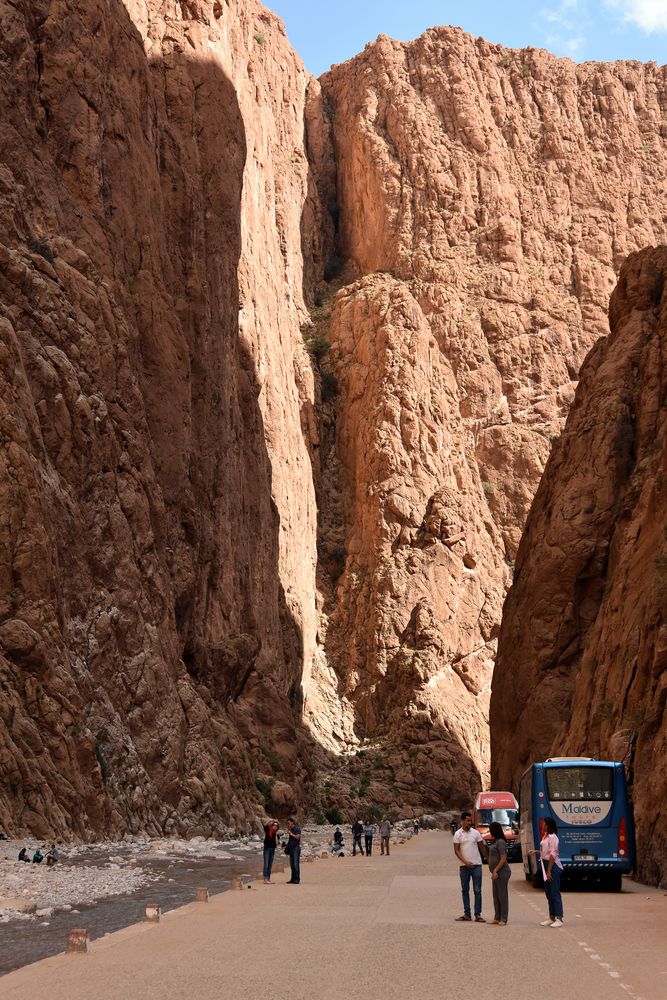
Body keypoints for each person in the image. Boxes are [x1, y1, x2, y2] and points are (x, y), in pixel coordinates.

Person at [528, 816, 564, 927]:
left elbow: (553, 854)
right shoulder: (545, 836)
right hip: (545, 864)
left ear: (548, 825)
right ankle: (551, 916)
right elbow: (546, 852)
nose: (542, 825)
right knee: (548, 893)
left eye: (544, 824)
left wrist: (549, 871)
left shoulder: (553, 837)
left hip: (552, 866)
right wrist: (537, 851)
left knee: (555, 892)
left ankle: (559, 918)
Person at [453, 811, 488, 922]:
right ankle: (467, 914)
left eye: (470, 821)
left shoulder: (476, 833)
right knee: (465, 890)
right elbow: (456, 850)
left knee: (477, 890)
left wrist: (489, 860)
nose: (469, 823)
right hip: (464, 867)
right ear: (462, 821)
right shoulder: (457, 834)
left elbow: (482, 848)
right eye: (467, 821)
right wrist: (465, 861)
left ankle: (478, 914)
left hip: (477, 865)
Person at [488, 821, 511, 925]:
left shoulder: (501, 842)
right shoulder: (495, 841)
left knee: (502, 895)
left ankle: (503, 918)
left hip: (502, 872)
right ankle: (497, 917)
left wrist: (496, 870)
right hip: (495, 873)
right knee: (496, 895)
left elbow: (503, 858)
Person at [262, 819, 279, 884]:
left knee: (270, 864)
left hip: (272, 849)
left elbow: (279, 825)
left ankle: (268, 878)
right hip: (267, 849)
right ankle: (265, 879)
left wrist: (277, 822)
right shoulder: (268, 830)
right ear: (272, 826)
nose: (275, 826)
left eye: (276, 826)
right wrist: (271, 820)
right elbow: (265, 825)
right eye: (274, 825)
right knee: (266, 864)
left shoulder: (275, 833)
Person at [286, 817, 301, 884]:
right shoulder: (290, 829)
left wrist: (291, 834)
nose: (288, 825)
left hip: (296, 848)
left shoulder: (297, 829)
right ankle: (292, 879)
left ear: (292, 822)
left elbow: (298, 837)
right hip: (291, 849)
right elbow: (290, 840)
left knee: (295, 864)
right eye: (287, 824)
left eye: (288, 823)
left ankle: (297, 879)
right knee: (292, 865)